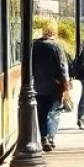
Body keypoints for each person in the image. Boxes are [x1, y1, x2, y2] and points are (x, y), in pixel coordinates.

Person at [31, 20, 70, 152]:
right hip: (54, 86)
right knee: (54, 112)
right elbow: (62, 67)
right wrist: (66, 83)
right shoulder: (56, 47)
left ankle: (43, 137)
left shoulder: (33, 46)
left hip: (38, 85)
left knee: (41, 112)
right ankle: (50, 137)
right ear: (53, 31)